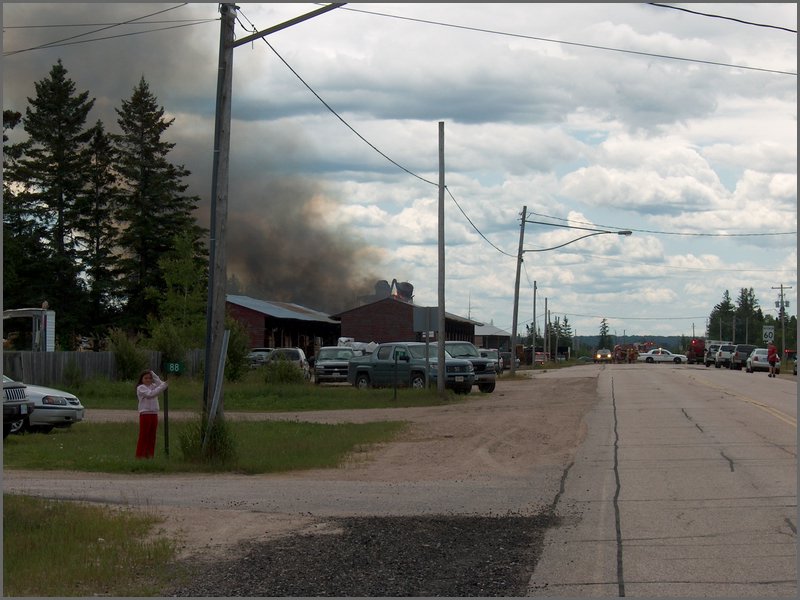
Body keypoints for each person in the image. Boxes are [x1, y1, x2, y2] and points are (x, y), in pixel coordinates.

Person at [135, 369, 168, 459]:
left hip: (154, 413)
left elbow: (161, 384)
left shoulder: (153, 386)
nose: (148, 380)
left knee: (152, 435)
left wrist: (154, 375)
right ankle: (140, 455)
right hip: (145, 414)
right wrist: (163, 386)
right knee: (144, 435)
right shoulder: (141, 388)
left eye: (150, 378)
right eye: (146, 378)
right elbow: (151, 394)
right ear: (141, 379)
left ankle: (149, 455)